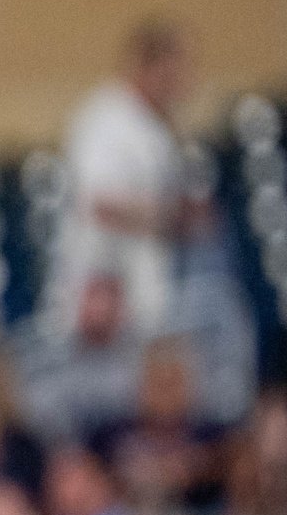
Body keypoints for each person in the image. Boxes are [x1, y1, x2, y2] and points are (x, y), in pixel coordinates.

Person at [49, 18, 195, 339]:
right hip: (105, 291)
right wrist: (169, 216)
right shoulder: (108, 118)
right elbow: (101, 204)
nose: (180, 81)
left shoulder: (154, 123)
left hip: (143, 292)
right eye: (171, 70)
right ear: (146, 66)